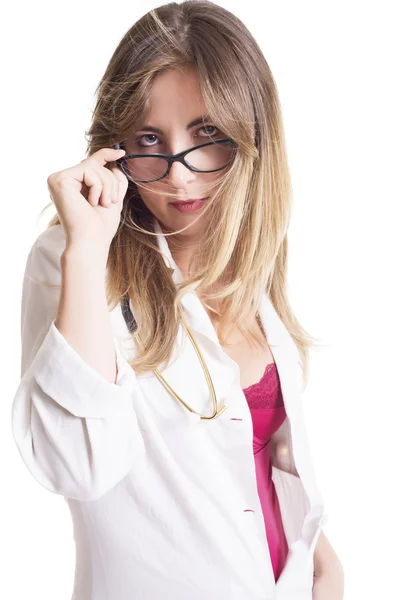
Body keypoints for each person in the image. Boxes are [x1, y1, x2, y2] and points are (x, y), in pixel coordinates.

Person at [11, 1, 344, 599]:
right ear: (114, 147)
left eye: (208, 135)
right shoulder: (76, 262)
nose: (180, 175)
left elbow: (248, 453)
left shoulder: (247, 257)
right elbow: (77, 467)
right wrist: (87, 250)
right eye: (148, 139)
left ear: (252, 136)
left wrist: (318, 556)